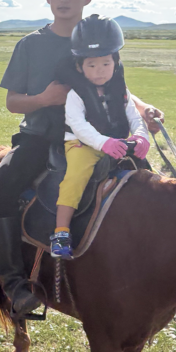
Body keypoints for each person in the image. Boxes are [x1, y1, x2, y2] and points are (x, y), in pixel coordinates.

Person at [0, 0, 163, 320]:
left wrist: (145, 110)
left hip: (102, 138)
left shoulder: (99, 38)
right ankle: (14, 283)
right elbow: (12, 102)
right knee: (2, 184)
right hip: (42, 138)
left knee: (150, 186)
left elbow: (116, 88)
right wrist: (44, 99)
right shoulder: (30, 45)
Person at [50, 15, 149, 259]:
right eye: (91, 65)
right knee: (75, 178)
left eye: (106, 63)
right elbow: (78, 125)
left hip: (117, 143)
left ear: (115, 63)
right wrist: (103, 143)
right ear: (79, 67)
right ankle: (61, 232)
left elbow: (134, 117)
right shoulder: (76, 94)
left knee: (148, 175)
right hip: (82, 144)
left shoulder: (120, 91)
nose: (99, 71)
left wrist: (140, 136)